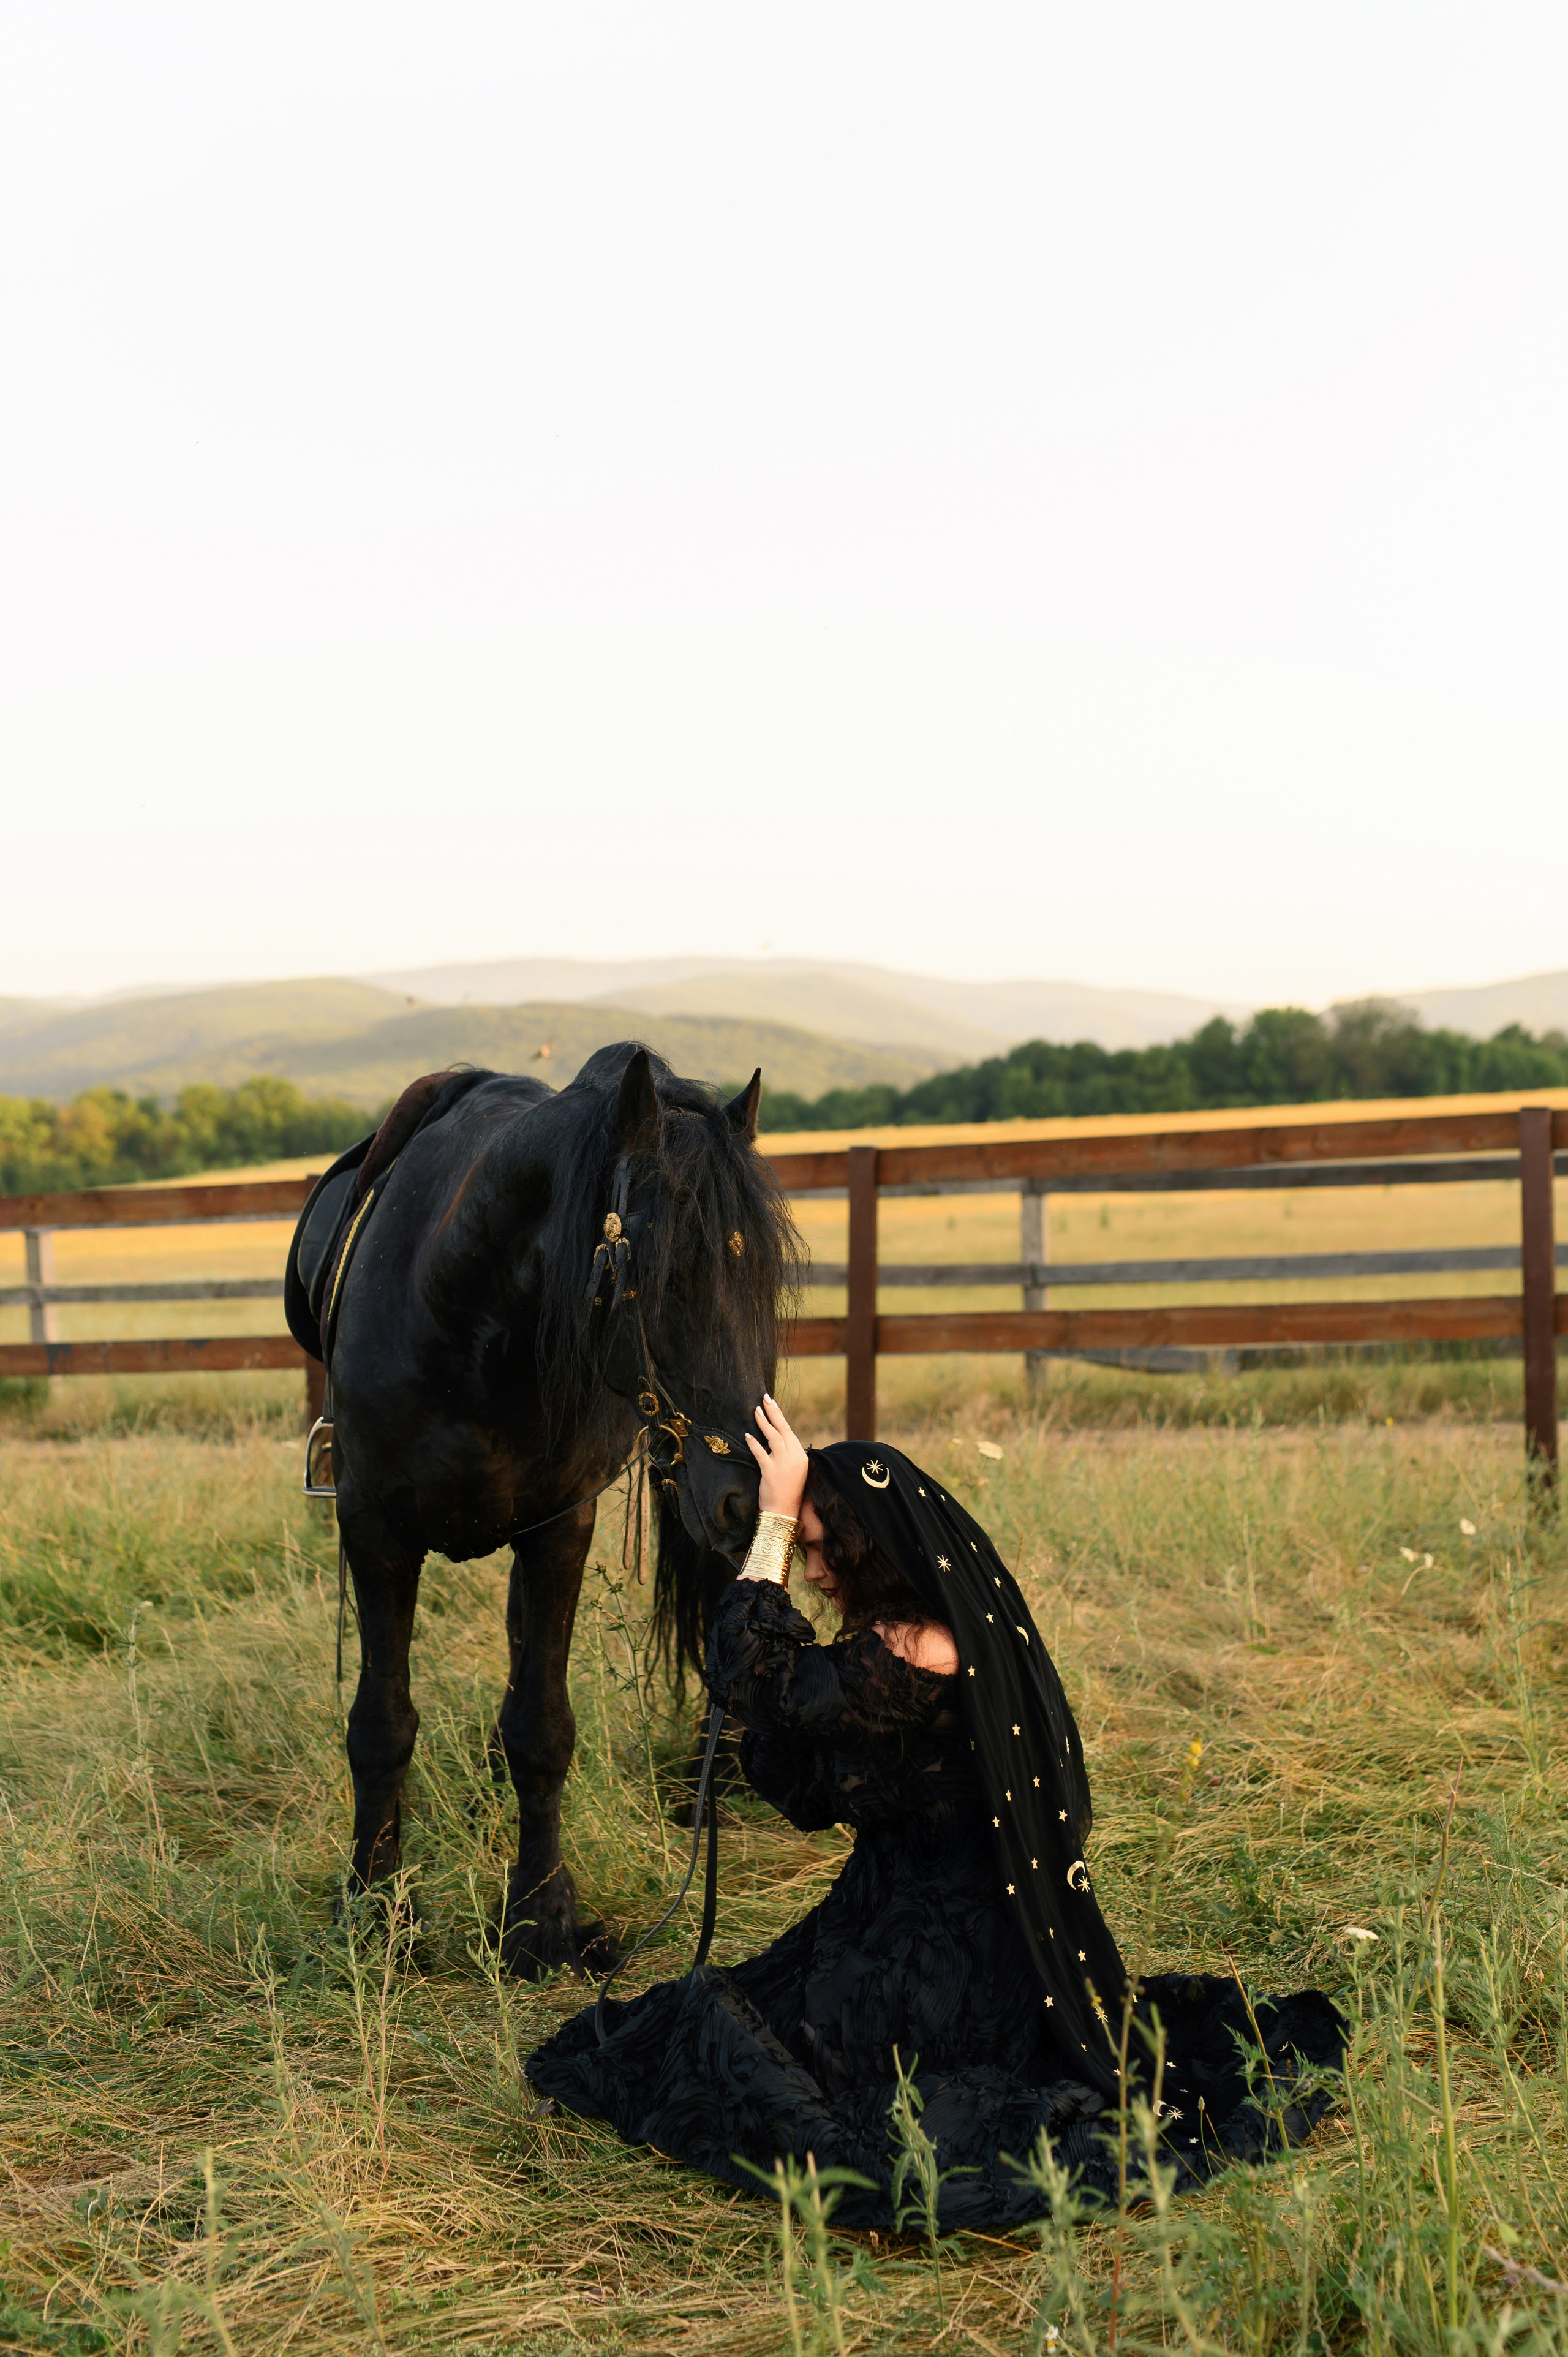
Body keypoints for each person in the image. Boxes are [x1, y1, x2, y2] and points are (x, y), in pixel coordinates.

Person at [525, 1398, 1346, 2229]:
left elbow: (754, 1673)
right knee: (698, 2028)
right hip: (899, 1926)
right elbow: (811, 1785)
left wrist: (772, 1525)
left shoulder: (917, 1654)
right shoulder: (915, 1641)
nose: (814, 1572)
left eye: (822, 1548)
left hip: (943, 1966)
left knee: (731, 2048)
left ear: (871, 1544)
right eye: (804, 1550)